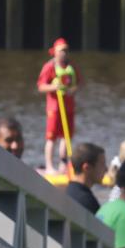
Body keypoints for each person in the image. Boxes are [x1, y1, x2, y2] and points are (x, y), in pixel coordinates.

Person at [37, 37, 79, 173]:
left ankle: (64, 165)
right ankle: (49, 166)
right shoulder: (49, 67)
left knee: (66, 137)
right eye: (61, 51)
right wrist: (53, 87)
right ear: (54, 52)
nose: (64, 54)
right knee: (51, 137)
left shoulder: (71, 66)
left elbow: (78, 83)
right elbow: (41, 86)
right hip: (54, 107)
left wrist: (73, 89)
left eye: (66, 51)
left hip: (69, 107)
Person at [65, 142, 106, 214]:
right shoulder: (87, 201)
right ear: (87, 168)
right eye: (102, 164)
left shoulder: (68, 192)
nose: (106, 169)